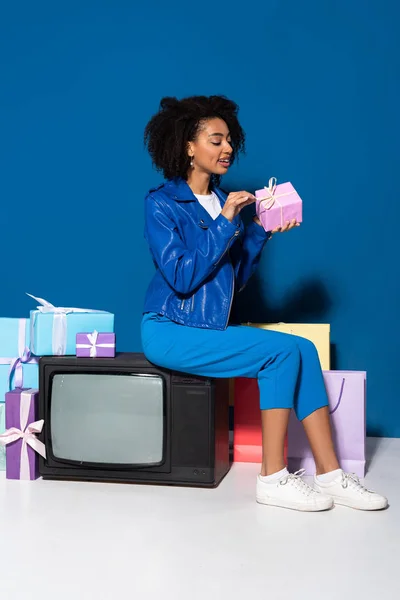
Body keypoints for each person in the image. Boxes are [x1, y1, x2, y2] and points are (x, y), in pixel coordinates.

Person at [141, 94, 388, 512]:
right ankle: (272, 476)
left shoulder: (223, 201)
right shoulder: (161, 203)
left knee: (304, 349)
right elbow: (183, 276)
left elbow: (230, 283)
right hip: (169, 329)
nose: (227, 149)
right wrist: (225, 223)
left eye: (229, 141)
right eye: (216, 140)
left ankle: (330, 475)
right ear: (188, 147)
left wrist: (260, 231)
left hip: (206, 327)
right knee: (277, 354)